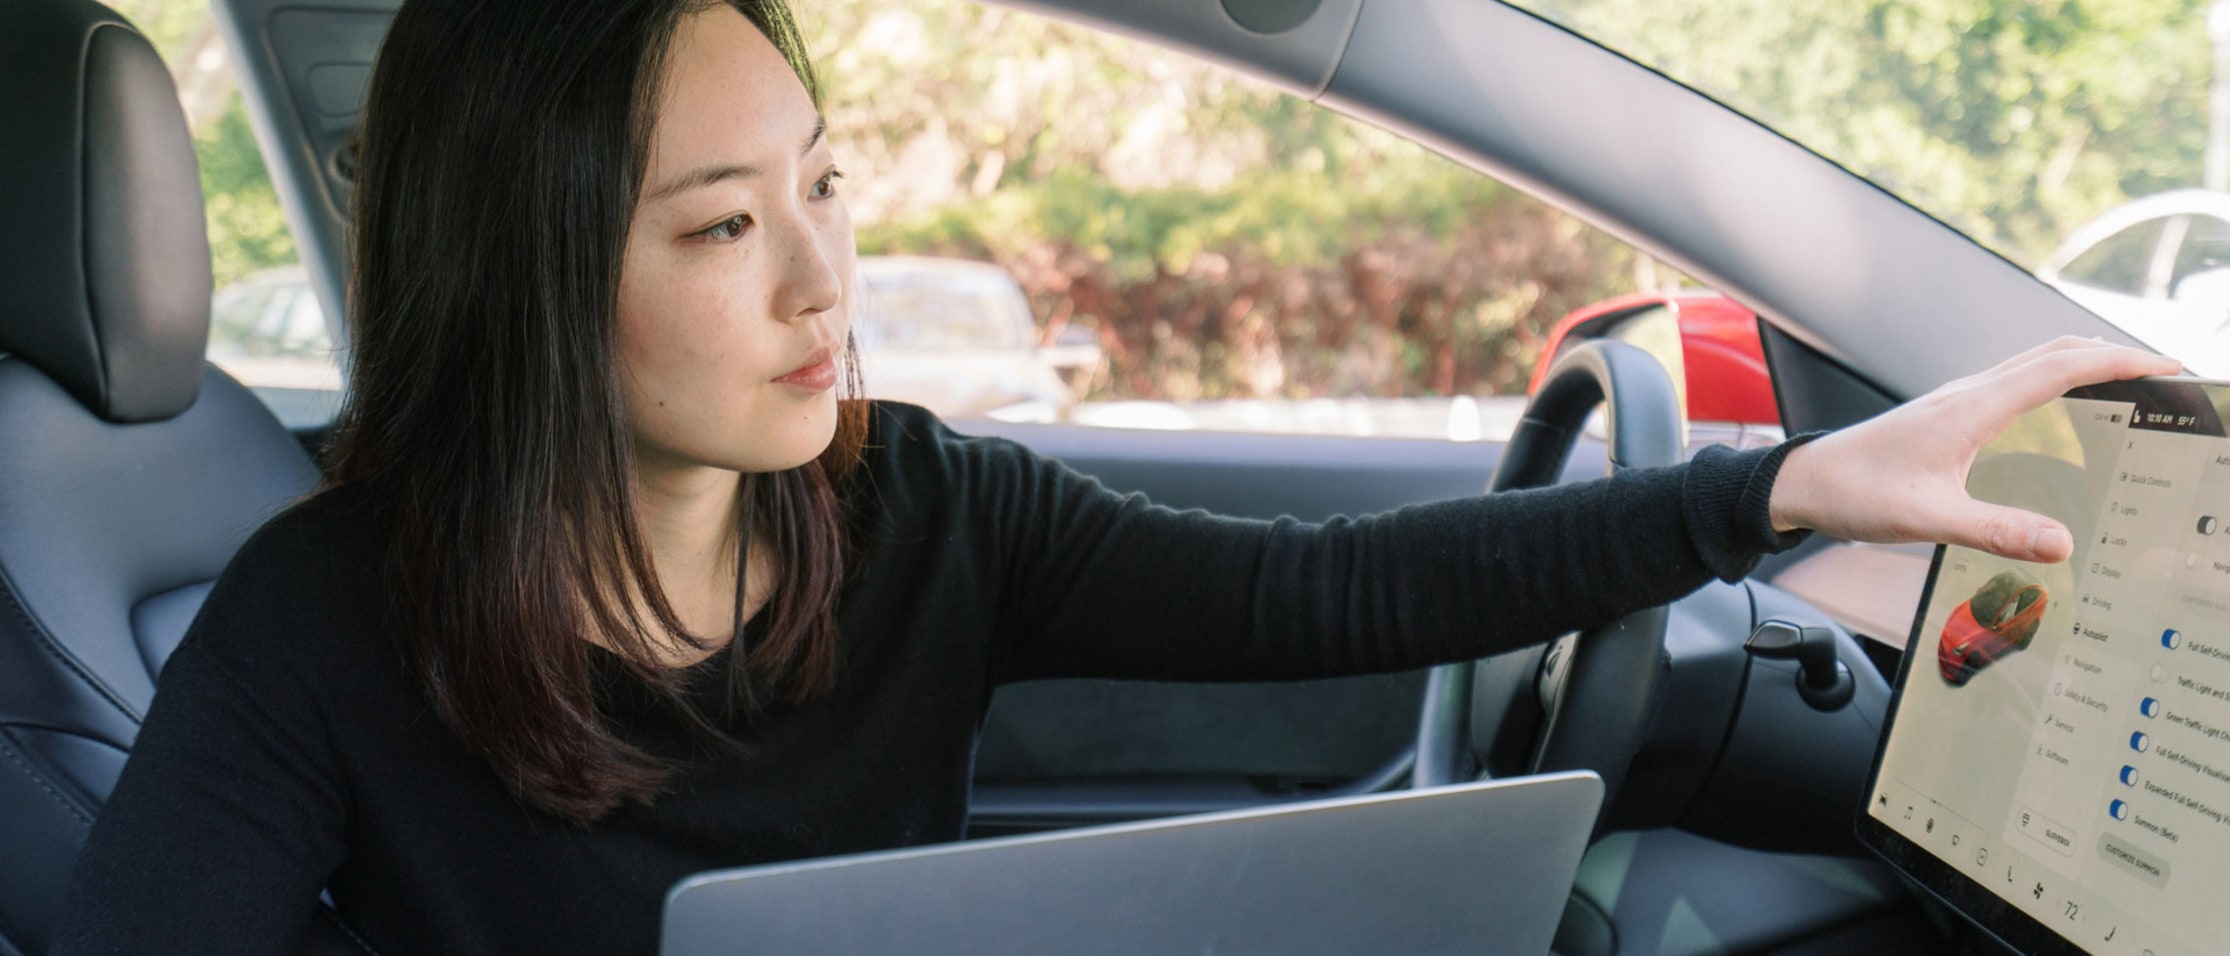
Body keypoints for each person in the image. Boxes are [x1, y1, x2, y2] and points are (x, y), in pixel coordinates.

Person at [51, 0, 2183, 952]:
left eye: (822, 186)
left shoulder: (916, 509)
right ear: (534, 288)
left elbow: (1323, 599)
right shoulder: (323, 620)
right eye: (719, 228)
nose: (821, 280)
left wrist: (1778, 491)